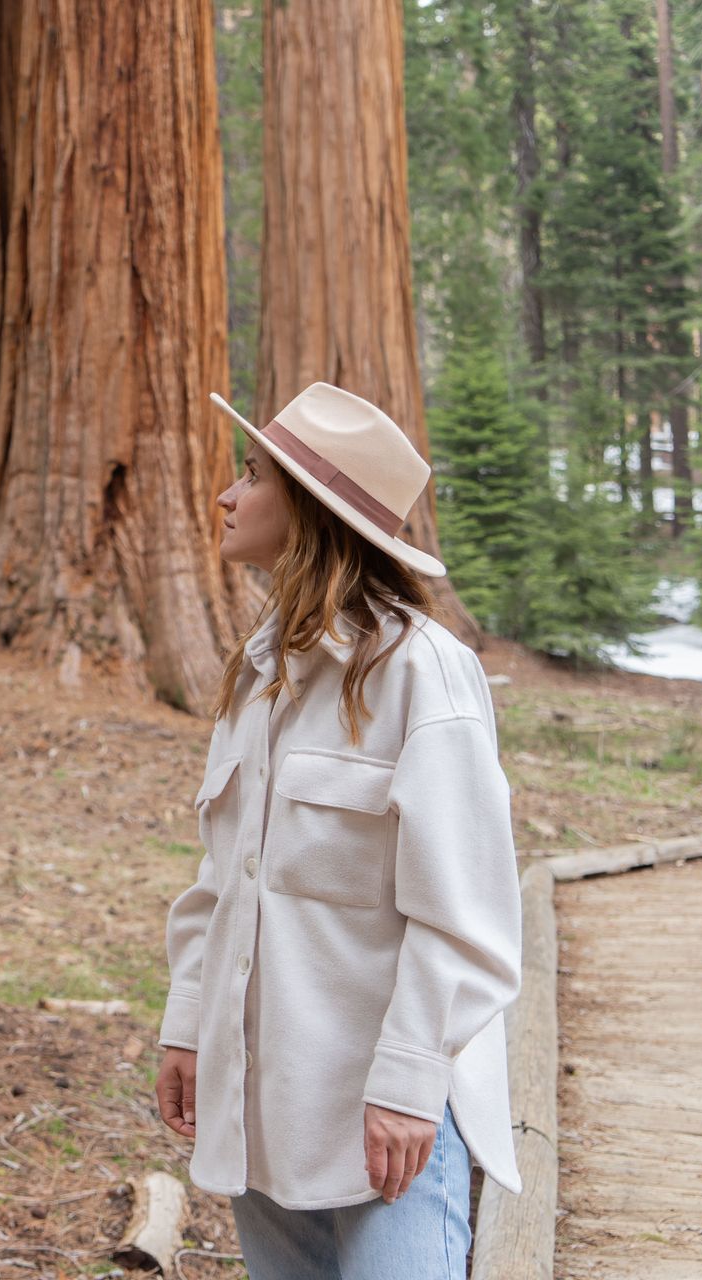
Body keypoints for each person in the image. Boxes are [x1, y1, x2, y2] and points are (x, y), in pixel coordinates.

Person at [154, 382, 524, 1280]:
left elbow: (466, 918)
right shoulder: (261, 670)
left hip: (388, 1131)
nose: (226, 497)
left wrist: (406, 1085)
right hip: (263, 1110)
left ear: (312, 513)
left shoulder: (424, 677)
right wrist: (188, 1025)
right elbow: (223, 881)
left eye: (252, 478)